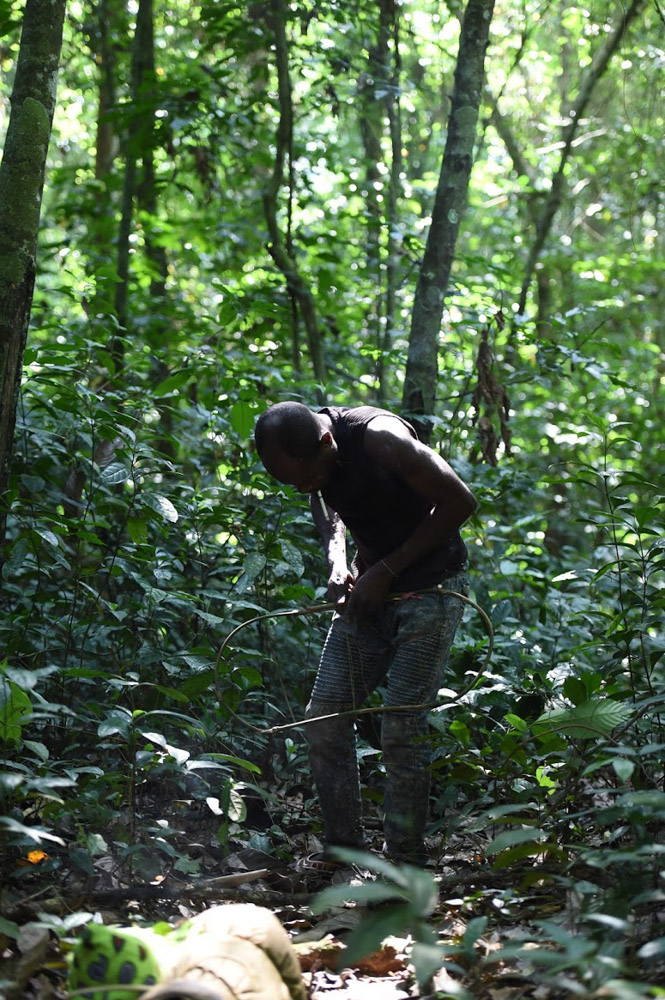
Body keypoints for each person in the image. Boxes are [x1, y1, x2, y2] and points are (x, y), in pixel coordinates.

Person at [254, 401, 477, 868]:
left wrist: (389, 570)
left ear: (326, 443)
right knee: (324, 714)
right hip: (371, 590)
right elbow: (327, 502)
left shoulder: (381, 439)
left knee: (401, 725)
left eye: (305, 477)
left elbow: (461, 501)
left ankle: (405, 863)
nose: (304, 489)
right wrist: (339, 562)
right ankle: (344, 849)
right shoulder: (313, 455)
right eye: (293, 484)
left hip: (432, 589)